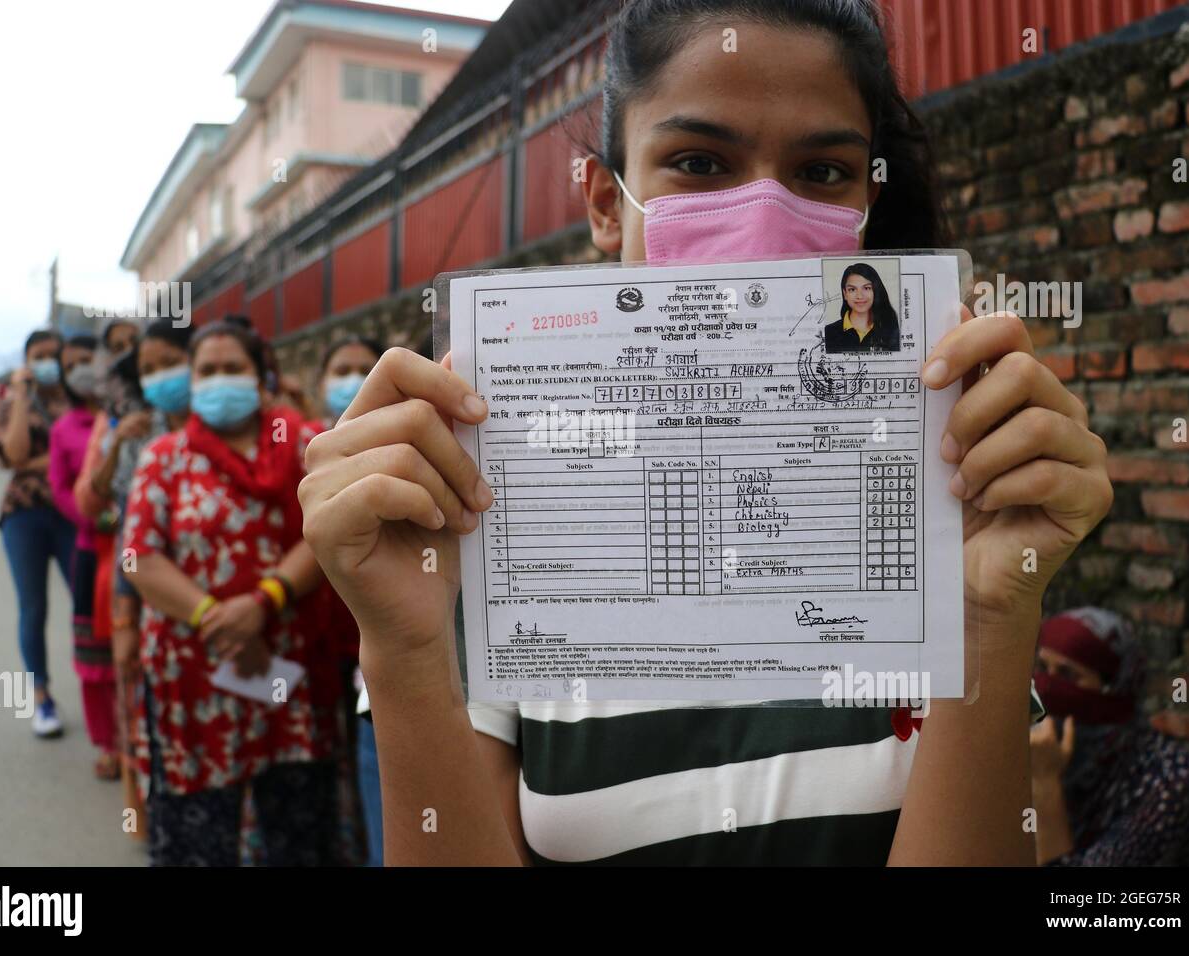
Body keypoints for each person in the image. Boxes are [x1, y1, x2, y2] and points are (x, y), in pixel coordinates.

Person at [298, 0, 1115, 866]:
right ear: (606, 204)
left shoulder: (941, 507)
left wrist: (991, 614)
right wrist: (402, 644)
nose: (764, 214)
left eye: (823, 171)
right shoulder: (486, 525)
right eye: (698, 161)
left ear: (868, 202)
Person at [122, 321, 340, 866]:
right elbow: (139, 558)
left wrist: (263, 602)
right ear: (192, 381)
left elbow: (330, 533)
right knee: (200, 835)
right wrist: (216, 618)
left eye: (232, 368)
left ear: (261, 376)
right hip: (195, 671)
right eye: (207, 371)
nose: (220, 380)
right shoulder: (164, 458)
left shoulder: (303, 446)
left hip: (285, 667)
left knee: (295, 824)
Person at [75, 318, 194, 836]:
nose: (159, 377)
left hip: (208, 577)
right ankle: (146, 813)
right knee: (139, 684)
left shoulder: (221, 422)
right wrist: (120, 444)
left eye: (170, 363)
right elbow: (111, 507)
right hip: (140, 576)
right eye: (147, 368)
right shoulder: (130, 423)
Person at [1030, 608, 1189, 866]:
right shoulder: (1038, 747)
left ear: (1114, 690)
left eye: (1068, 675)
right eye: (1042, 668)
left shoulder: (1166, 782)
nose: (1047, 687)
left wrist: (1045, 785)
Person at [316, 336, 386, 865]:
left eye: (367, 368)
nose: (354, 378)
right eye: (342, 369)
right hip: (318, 657)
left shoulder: (418, 452)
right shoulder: (305, 454)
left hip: (382, 682)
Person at [0, 330, 75, 738]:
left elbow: (87, 452)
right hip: (23, 516)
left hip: (71, 515)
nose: (46, 362)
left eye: (52, 354)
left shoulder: (78, 399)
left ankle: (103, 688)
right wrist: (22, 396)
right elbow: (12, 456)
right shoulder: (12, 406)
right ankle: (42, 697)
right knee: (34, 607)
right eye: (37, 356)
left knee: (87, 603)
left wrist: (42, 462)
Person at [48, 334, 119, 779]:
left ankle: (137, 744)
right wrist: (99, 519)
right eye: (72, 364)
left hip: (139, 550)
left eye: (90, 361)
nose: (84, 371)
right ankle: (108, 742)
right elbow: (61, 491)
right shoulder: (65, 429)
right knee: (95, 656)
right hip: (94, 550)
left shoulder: (131, 415)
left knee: (134, 649)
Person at [823, 262, 900, 352]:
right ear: (845, 294)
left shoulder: (891, 331)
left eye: (867, 288)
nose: (859, 296)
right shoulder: (828, 333)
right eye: (852, 289)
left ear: (876, 291)